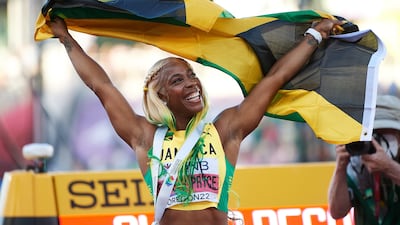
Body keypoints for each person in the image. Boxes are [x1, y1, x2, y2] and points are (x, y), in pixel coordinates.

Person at [47, 17, 340, 225]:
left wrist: (314, 37)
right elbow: (102, 86)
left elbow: (275, 79)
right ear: (160, 95)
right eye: (178, 80)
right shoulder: (146, 137)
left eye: (192, 75)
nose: (192, 83)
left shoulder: (225, 130)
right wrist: (65, 38)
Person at [328, 95, 400, 225]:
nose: (378, 142)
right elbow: (337, 212)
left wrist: (389, 167)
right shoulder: (356, 164)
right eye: (373, 134)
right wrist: (341, 166)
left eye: (386, 135)